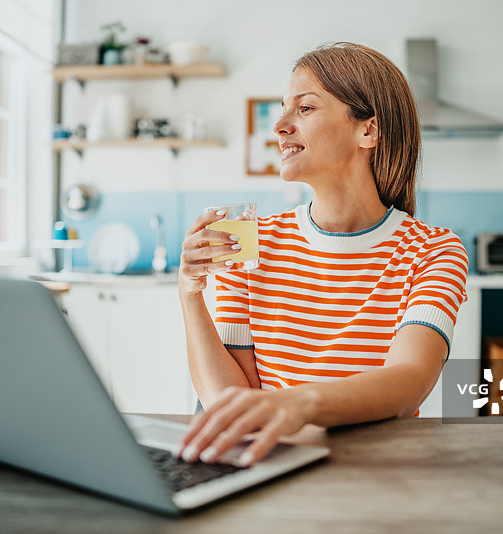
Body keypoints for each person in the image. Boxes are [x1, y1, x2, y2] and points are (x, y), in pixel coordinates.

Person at [175, 42, 468, 467]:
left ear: (368, 131)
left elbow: (409, 383)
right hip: (270, 465)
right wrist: (189, 293)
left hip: (381, 471)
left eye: (305, 108)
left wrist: (300, 404)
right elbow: (230, 403)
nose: (280, 126)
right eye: (283, 110)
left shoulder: (433, 251)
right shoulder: (254, 241)